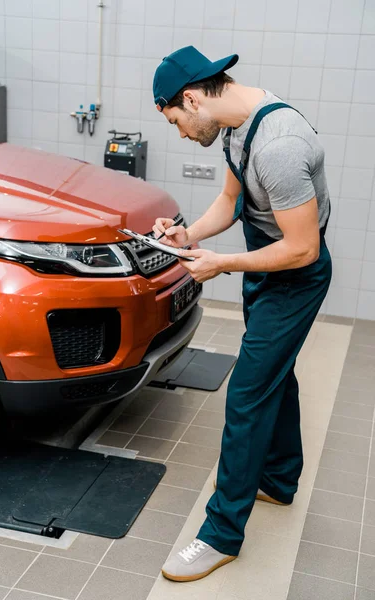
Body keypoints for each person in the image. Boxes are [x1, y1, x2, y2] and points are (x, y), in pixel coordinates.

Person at [152, 46, 332, 583]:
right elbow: (231, 200)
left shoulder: (280, 144)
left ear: (191, 99)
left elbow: (302, 248)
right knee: (274, 373)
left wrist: (223, 263)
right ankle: (278, 479)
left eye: (176, 121)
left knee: (248, 391)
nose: (181, 133)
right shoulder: (235, 127)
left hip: (294, 276)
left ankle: (220, 535)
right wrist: (192, 235)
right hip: (266, 261)